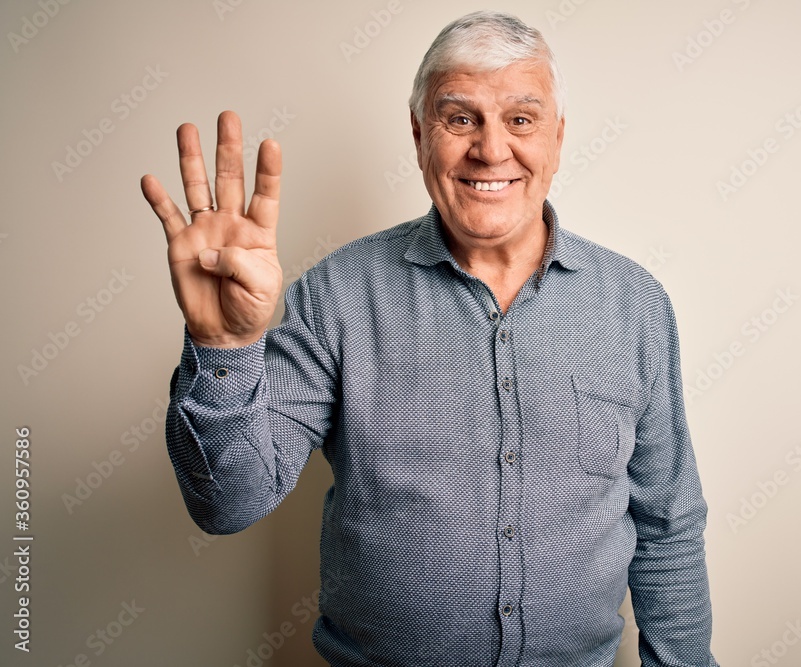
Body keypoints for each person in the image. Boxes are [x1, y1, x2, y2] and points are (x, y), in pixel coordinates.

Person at [140, 10, 719, 667]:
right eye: (460, 118)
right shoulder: (336, 296)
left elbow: (668, 526)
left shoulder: (635, 304)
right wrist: (225, 346)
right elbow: (228, 503)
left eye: (521, 119)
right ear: (420, 136)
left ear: (558, 138)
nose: (491, 150)